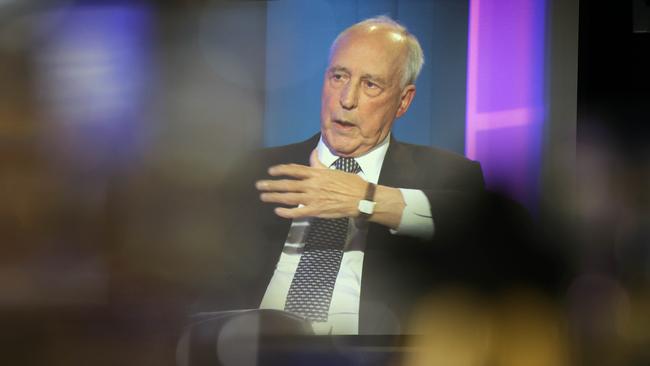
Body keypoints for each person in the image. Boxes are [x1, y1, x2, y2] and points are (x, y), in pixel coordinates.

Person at [208, 16, 486, 335]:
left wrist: (365, 198)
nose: (347, 99)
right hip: (258, 346)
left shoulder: (446, 175)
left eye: (370, 84)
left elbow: (466, 225)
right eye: (339, 77)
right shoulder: (258, 169)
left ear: (403, 101)